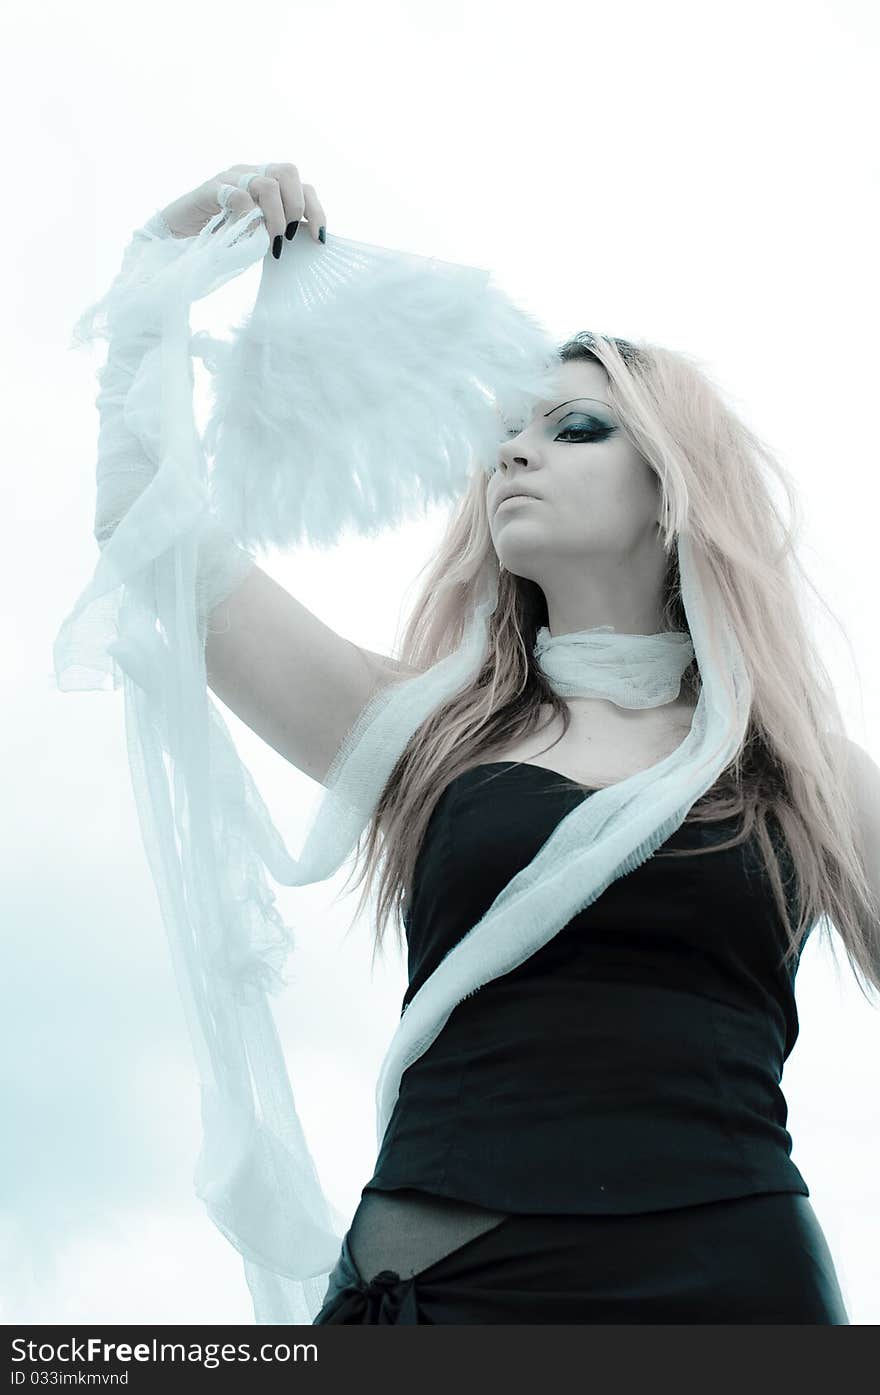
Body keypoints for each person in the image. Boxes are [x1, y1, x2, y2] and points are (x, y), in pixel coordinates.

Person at [57, 161, 878, 1325]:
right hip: (445, 1297)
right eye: (503, 432)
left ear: (672, 489)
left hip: (730, 1294)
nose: (514, 452)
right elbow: (145, 527)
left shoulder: (797, 771)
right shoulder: (419, 733)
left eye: (573, 427)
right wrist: (164, 256)